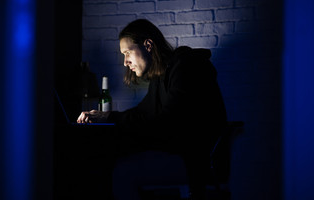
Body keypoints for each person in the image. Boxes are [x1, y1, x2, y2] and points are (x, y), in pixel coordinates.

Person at [77, 19, 227, 200]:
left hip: (197, 161)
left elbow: (169, 122)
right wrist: (107, 116)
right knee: (109, 160)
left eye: (127, 52)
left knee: (122, 172)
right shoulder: (162, 76)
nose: (125, 62)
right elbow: (142, 113)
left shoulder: (185, 67)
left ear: (148, 45)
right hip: (182, 155)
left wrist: (118, 124)